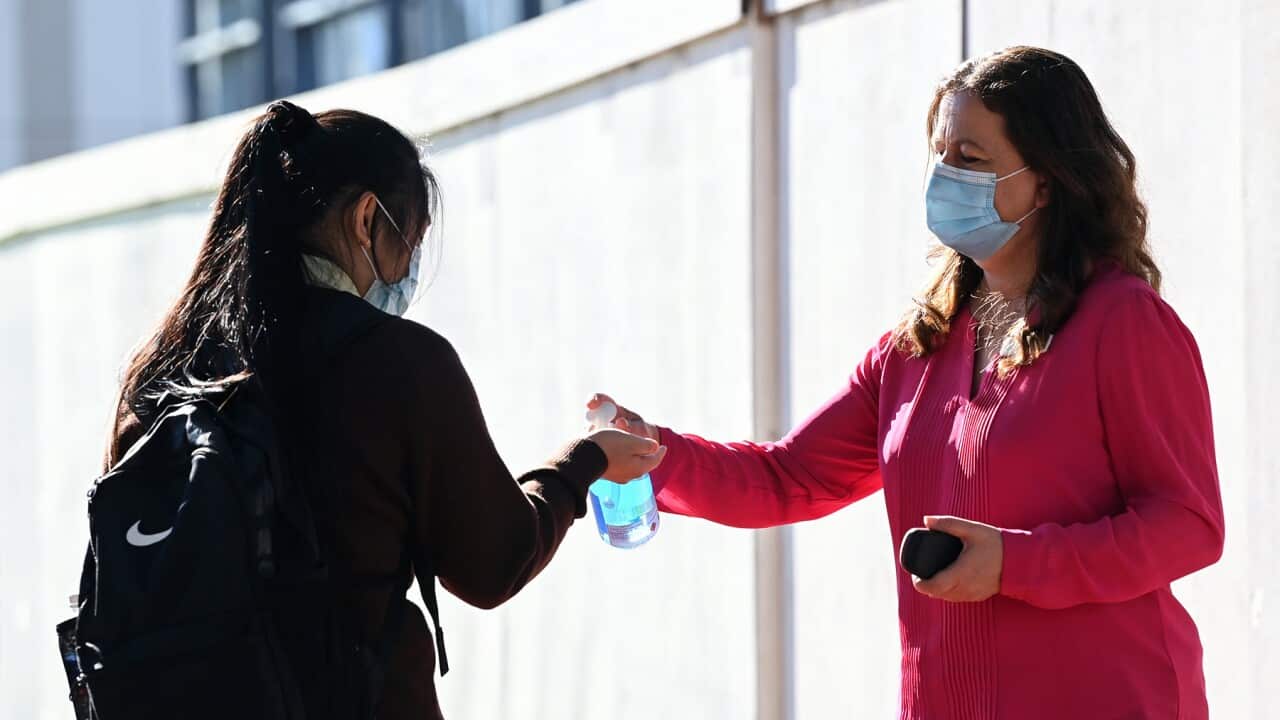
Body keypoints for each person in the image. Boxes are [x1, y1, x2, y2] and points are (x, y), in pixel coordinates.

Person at [590, 46, 1224, 719]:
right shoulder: (914, 348)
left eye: (971, 158)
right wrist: (653, 453)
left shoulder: (1124, 322)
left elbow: (1188, 525)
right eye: (940, 152)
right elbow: (789, 478)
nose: (946, 175)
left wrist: (1017, 563)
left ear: (1047, 181)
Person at [105, 100, 666, 719]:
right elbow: (493, 561)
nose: (407, 272)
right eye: (410, 245)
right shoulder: (395, 360)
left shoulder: (162, 363)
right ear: (366, 220)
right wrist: (584, 462)